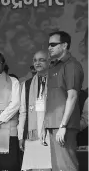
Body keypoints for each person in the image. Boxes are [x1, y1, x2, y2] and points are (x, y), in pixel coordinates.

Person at [44, 31, 84, 171]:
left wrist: (63, 125)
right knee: (57, 167)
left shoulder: (71, 65)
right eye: (49, 45)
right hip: (53, 124)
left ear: (65, 45)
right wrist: (46, 124)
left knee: (67, 166)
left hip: (63, 126)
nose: (49, 47)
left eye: (53, 44)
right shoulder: (54, 66)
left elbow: (72, 96)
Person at [18, 50, 51, 171]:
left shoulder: (57, 81)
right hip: (31, 135)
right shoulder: (26, 84)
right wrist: (20, 136)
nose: (37, 63)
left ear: (49, 61)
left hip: (50, 133)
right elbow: (23, 112)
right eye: (35, 60)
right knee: (33, 167)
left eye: (41, 60)